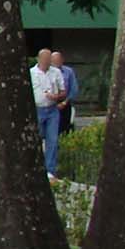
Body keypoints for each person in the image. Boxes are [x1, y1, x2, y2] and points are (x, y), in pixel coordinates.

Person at [30, 49, 69, 179]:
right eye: (44, 59)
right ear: (39, 59)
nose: (47, 62)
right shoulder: (31, 73)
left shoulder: (56, 72)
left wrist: (56, 96)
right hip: (38, 108)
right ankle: (35, 168)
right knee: (36, 138)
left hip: (52, 109)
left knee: (52, 139)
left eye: (49, 60)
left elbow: (63, 92)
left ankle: (50, 170)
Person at [55, 47, 79, 134]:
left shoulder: (69, 71)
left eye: (58, 60)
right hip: (51, 103)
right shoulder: (48, 72)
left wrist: (65, 102)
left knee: (65, 128)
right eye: (54, 60)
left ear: (62, 60)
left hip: (65, 102)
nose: (56, 62)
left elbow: (74, 88)